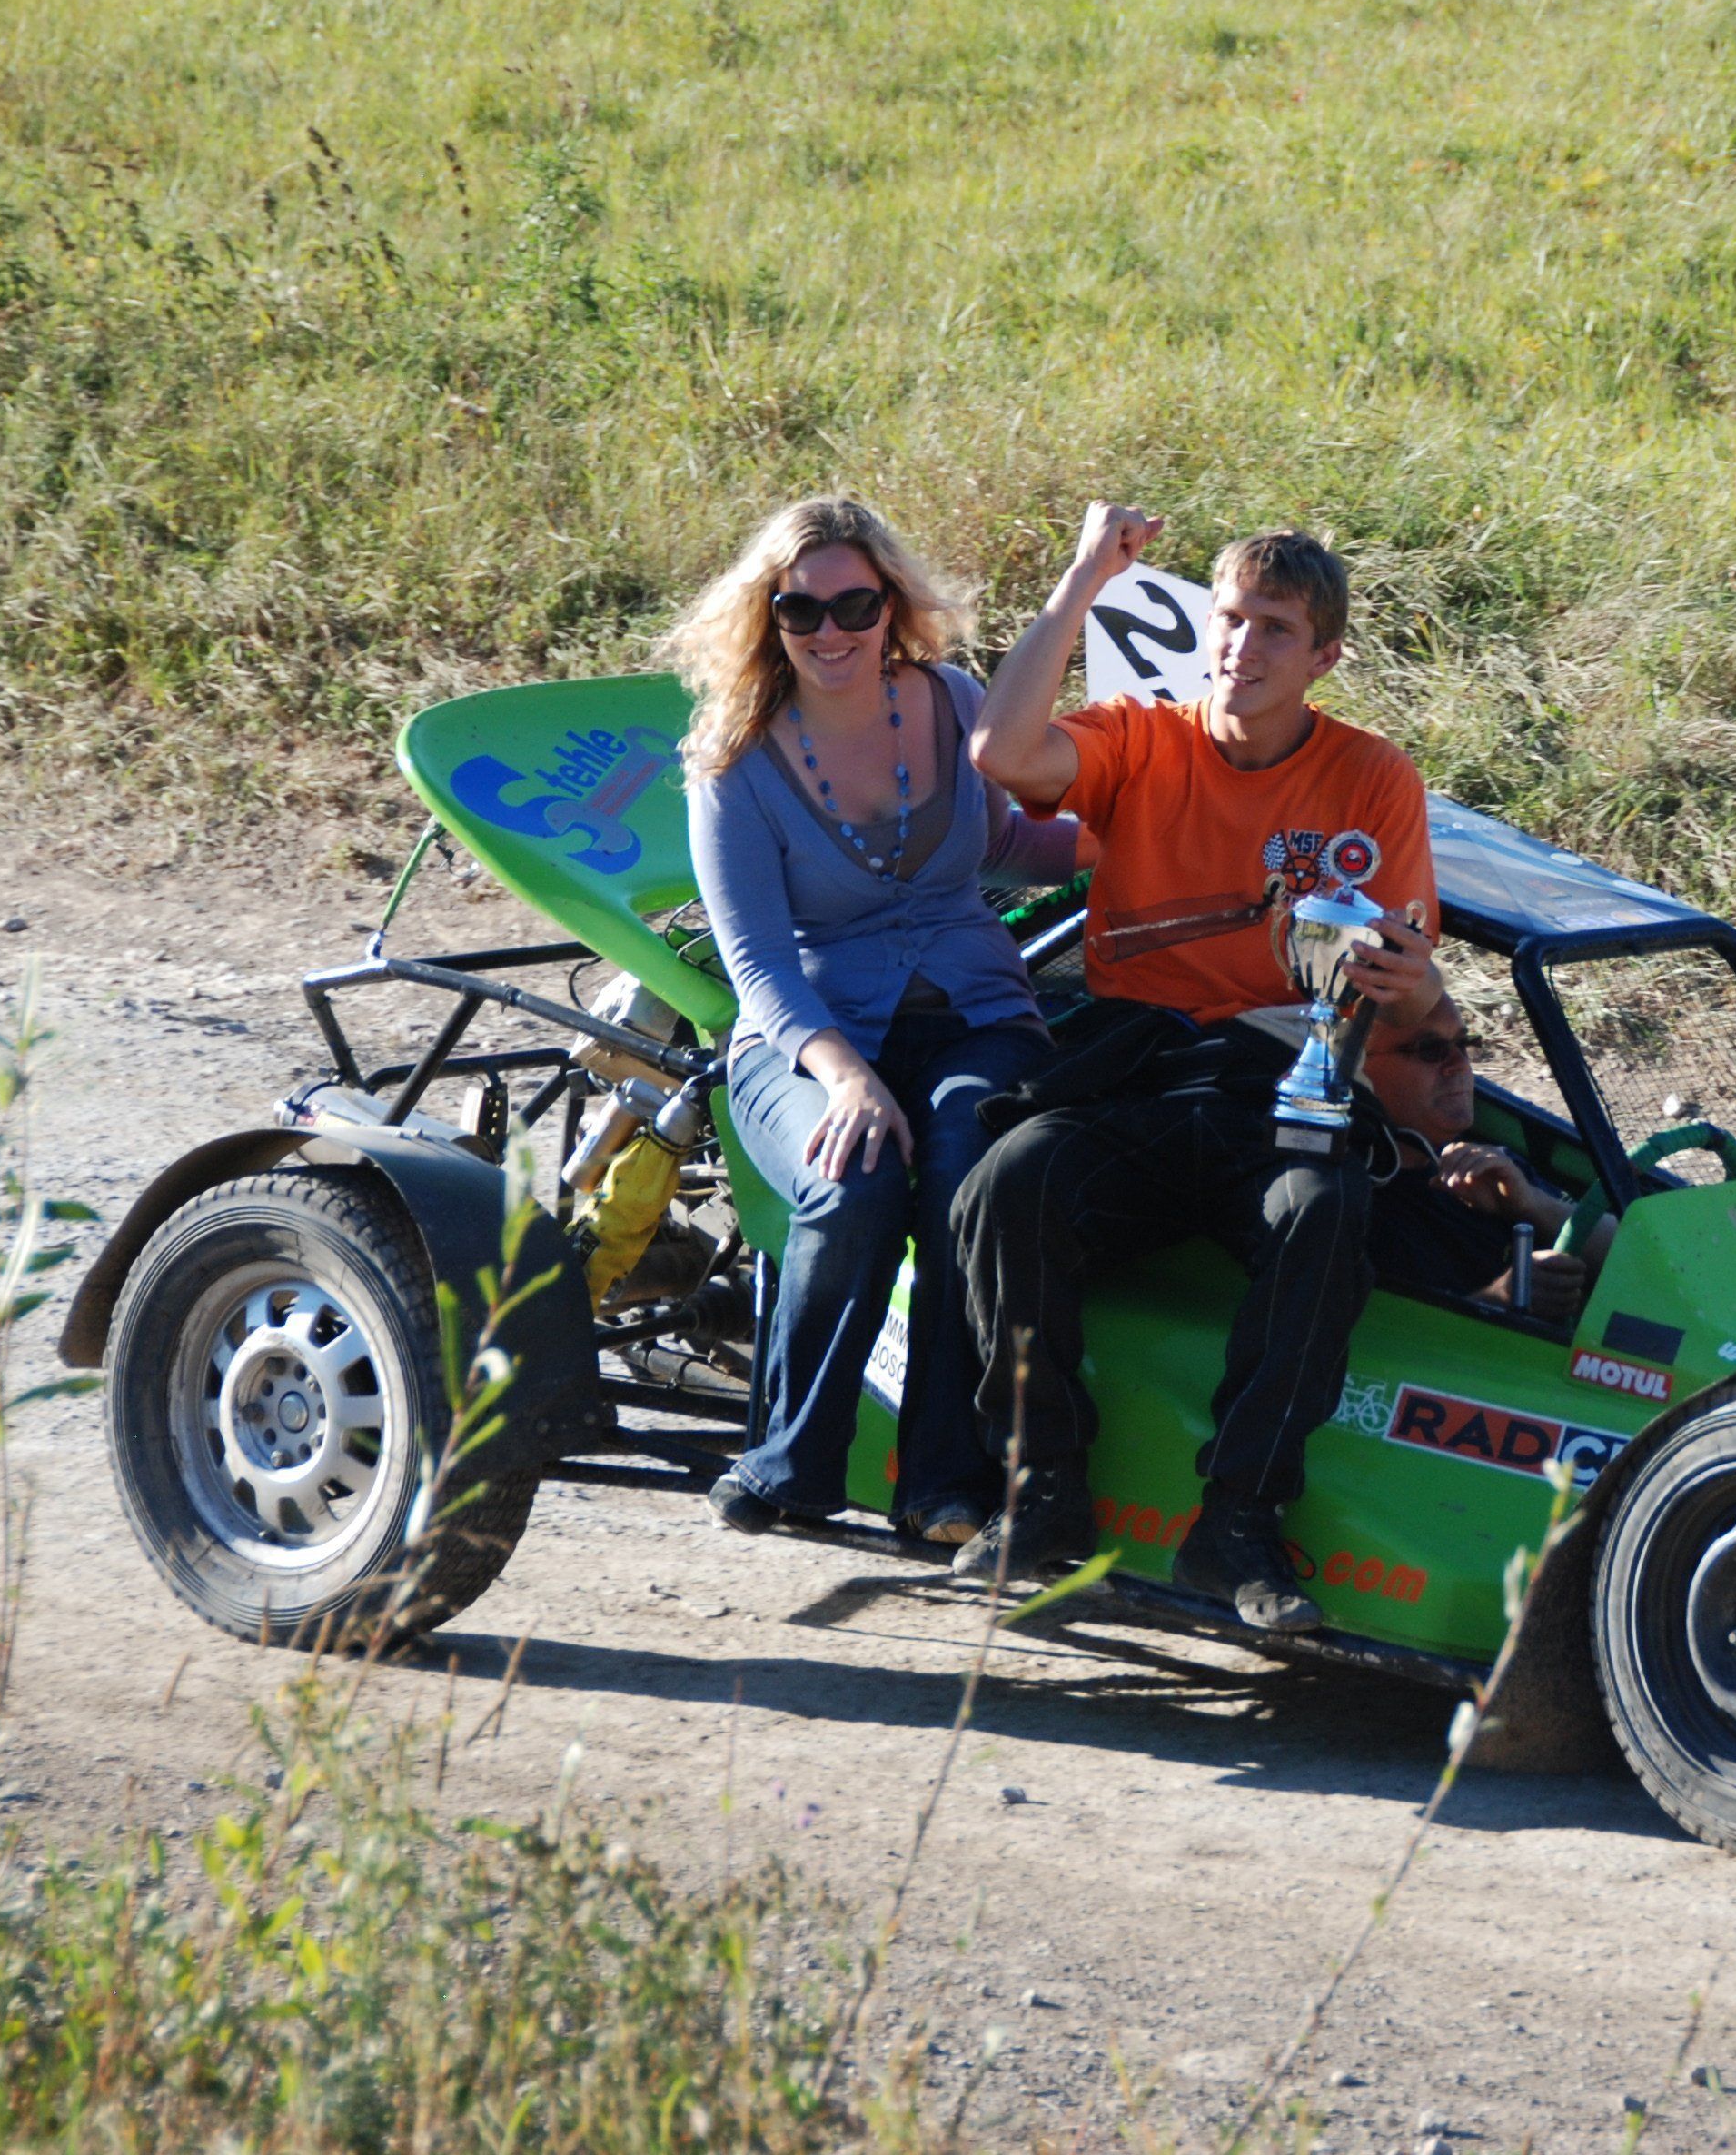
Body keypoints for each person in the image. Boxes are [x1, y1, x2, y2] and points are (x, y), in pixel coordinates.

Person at [950, 503, 1436, 1627]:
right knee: (1007, 1183)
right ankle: (1041, 1492)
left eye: (1275, 629)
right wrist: (1085, 576)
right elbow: (999, 753)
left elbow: (1408, 984)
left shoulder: (1373, 778)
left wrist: (1402, 975)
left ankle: (1237, 1526)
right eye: (1229, 618)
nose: (1241, 646)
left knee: (1323, 1213)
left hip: (1280, 1091)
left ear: (1323, 658)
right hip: (1139, 1080)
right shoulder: (1141, 739)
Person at [674, 495, 1080, 1549]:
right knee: (850, 1179)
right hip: (809, 1032)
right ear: (767, 618)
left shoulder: (952, 700)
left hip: (975, 1011)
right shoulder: (731, 762)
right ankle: (789, 1461)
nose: (830, 631)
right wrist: (847, 1076)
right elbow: (756, 964)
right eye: (799, 610)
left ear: (890, 605)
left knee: (966, 1175)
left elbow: (1009, 846)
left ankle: (942, 1484)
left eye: (853, 605)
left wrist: (1149, 830)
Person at [1350, 991, 1612, 1319]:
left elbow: (1640, 1252)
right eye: (1430, 1050)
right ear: (1358, 1069)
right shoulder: (1345, 1205)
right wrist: (1497, 1301)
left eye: (1463, 1044)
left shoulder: (1489, 1167)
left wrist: (1530, 1204)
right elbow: (1358, 1338)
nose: (1460, 1064)